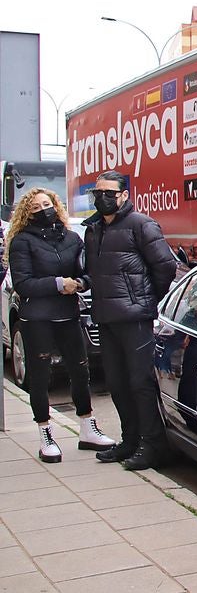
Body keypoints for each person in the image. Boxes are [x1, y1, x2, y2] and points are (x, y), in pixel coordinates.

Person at [4, 188, 115, 462]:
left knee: (80, 371)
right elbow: (22, 283)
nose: (44, 209)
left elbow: (87, 271)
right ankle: (45, 435)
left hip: (68, 314)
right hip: (37, 319)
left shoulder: (71, 238)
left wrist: (80, 283)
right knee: (40, 377)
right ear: (27, 213)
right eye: (37, 206)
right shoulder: (22, 241)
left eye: (48, 203)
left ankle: (87, 428)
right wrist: (57, 284)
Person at [82, 170, 178, 471]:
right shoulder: (93, 228)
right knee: (117, 383)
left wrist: (145, 301)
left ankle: (153, 445)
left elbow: (165, 267)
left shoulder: (141, 225)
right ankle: (130, 441)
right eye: (98, 193)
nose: (103, 198)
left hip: (134, 318)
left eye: (109, 193)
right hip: (106, 317)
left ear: (124, 195)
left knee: (140, 383)